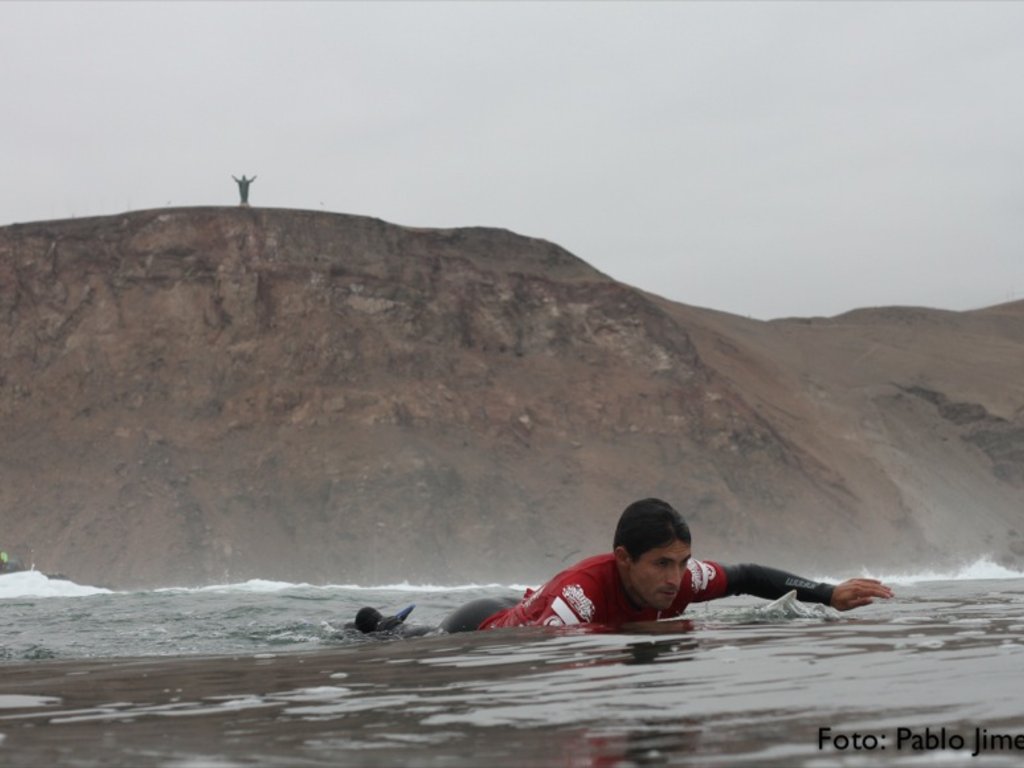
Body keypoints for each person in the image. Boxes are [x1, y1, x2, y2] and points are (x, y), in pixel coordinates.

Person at [436, 497, 893, 633]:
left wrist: (827, 593)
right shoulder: (578, 601)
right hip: (474, 626)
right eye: (660, 564)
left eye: (682, 562)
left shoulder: (682, 577)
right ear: (623, 559)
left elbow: (749, 575)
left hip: (525, 603)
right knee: (392, 635)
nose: (676, 579)